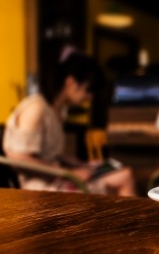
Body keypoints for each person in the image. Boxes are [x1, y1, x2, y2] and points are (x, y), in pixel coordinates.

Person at [3, 53, 135, 196]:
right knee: (125, 176)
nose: (89, 97)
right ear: (71, 82)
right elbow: (17, 158)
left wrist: (72, 162)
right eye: (88, 90)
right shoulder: (36, 108)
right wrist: (69, 172)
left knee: (121, 173)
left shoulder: (55, 110)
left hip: (54, 178)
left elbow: (45, 154)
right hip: (41, 186)